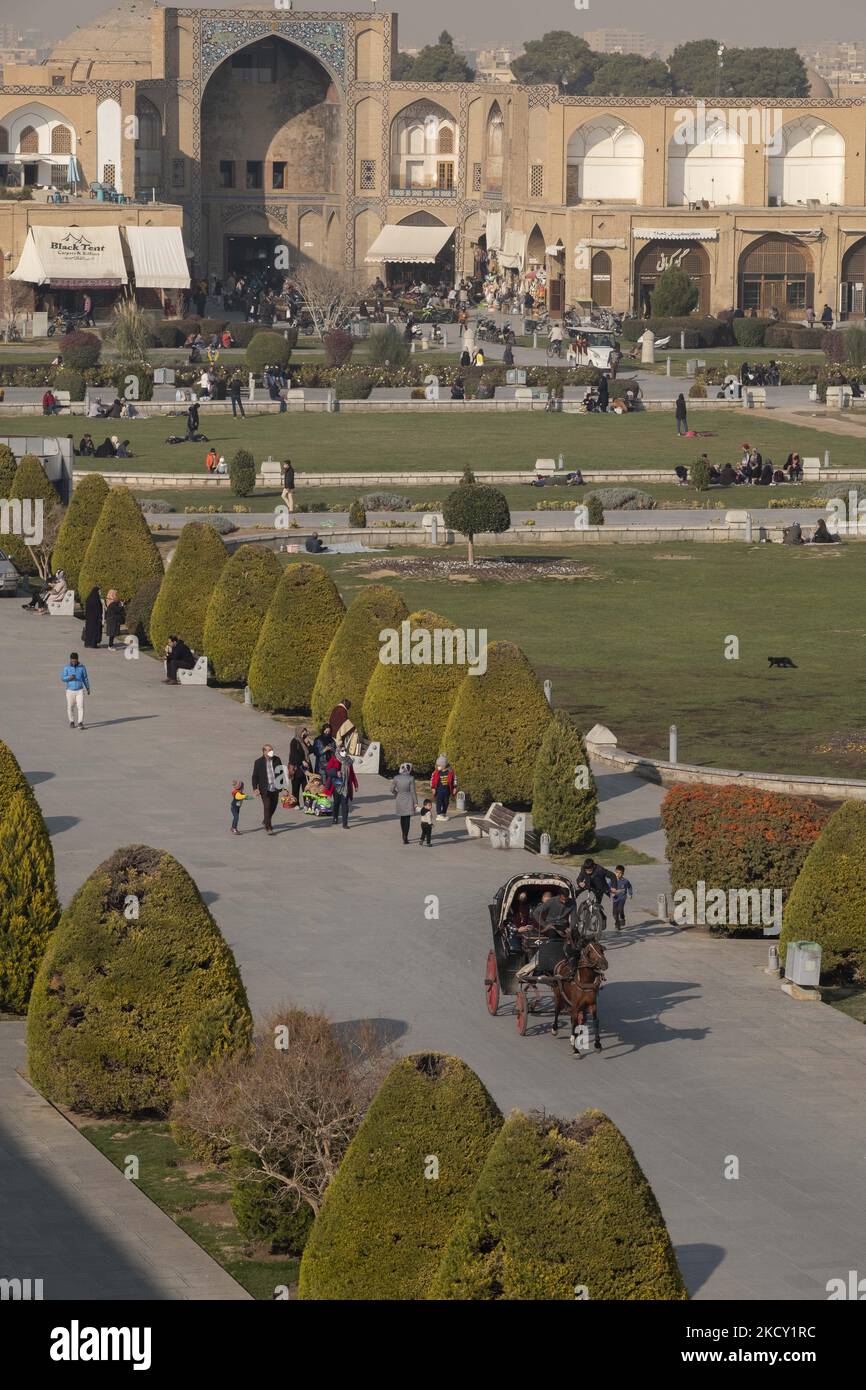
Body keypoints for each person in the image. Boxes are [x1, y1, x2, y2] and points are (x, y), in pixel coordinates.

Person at [252, 743, 283, 835]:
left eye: (272, 750)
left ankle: (265, 820)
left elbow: (281, 773)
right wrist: (255, 788)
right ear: (264, 752)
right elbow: (255, 776)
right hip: (265, 788)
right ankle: (268, 827)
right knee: (267, 806)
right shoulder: (258, 762)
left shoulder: (277, 759)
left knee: (273, 806)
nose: (271, 751)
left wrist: (284, 787)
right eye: (269, 750)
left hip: (275, 787)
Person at [324, 749, 357, 829]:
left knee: (345, 804)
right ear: (338, 751)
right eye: (342, 750)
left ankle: (345, 823)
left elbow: (352, 773)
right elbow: (327, 770)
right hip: (336, 786)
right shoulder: (334, 759)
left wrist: (355, 784)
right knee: (336, 803)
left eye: (345, 750)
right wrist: (336, 773)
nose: (344, 752)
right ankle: (335, 818)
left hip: (346, 787)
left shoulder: (349, 761)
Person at [61, 651, 90, 729]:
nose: (73, 662)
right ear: (70, 660)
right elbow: (63, 678)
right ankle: (72, 721)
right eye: (72, 660)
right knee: (70, 706)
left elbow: (85, 678)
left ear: (77, 660)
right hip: (70, 690)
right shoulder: (66, 667)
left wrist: (87, 687)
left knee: (80, 706)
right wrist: (69, 678)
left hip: (79, 690)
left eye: (75, 661)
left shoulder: (82, 667)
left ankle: (80, 722)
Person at [391, 761, 419, 844]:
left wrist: (397, 794)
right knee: (407, 819)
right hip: (409, 799)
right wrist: (416, 802)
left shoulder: (396, 778)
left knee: (402, 818)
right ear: (409, 769)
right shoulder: (411, 778)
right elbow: (413, 791)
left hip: (399, 798)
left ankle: (403, 833)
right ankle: (405, 836)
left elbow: (391, 789)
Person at [431, 755, 456, 820]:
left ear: (444, 765)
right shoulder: (437, 772)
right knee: (439, 802)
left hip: (447, 790)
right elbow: (432, 779)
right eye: (438, 765)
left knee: (446, 802)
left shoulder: (450, 771)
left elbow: (455, 779)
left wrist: (455, 787)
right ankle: (439, 814)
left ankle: (443, 813)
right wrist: (433, 788)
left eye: (440, 765)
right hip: (439, 790)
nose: (438, 766)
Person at [288, 728, 310, 804]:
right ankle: (296, 803)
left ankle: (306, 803)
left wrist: (308, 744)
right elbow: (294, 754)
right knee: (296, 786)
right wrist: (302, 761)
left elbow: (311, 751)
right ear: (299, 732)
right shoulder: (294, 741)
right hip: (296, 767)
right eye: (303, 731)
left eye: (305, 732)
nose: (304, 733)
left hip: (305, 768)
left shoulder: (304, 741)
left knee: (306, 786)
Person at [610, 865, 633, 931]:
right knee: (614, 913)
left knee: (619, 910)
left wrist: (630, 894)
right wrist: (611, 892)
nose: (618, 874)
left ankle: (619, 921)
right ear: (615, 872)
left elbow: (629, 886)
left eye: (620, 873)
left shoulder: (625, 881)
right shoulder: (612, 880)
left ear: (623, 874)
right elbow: (608, 887)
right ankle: (618, 923)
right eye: (617, 872)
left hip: (622, 898)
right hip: (615, 899)